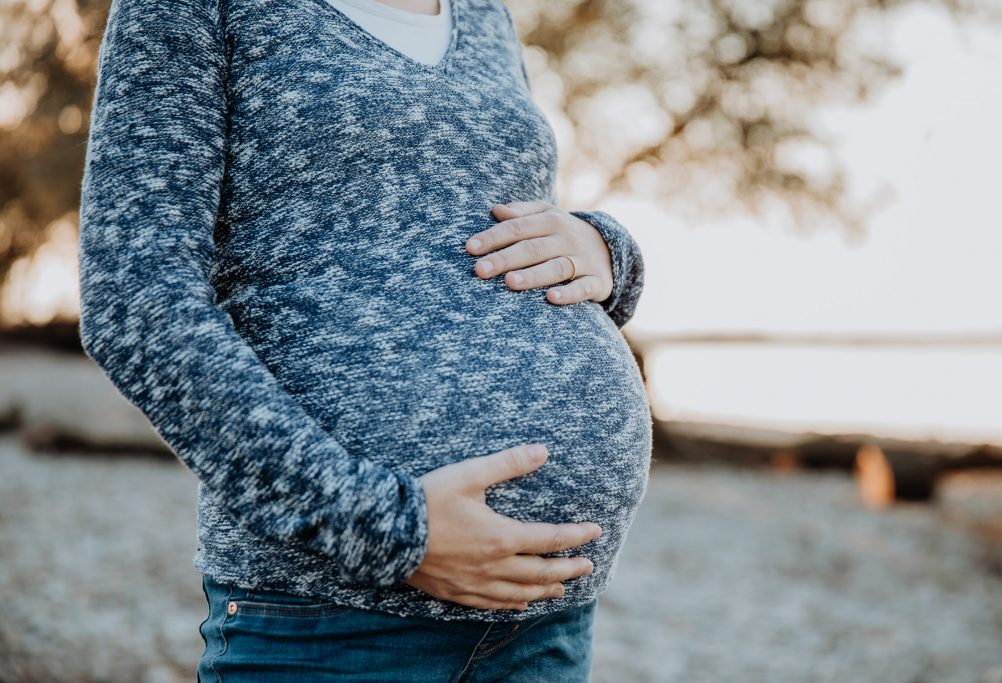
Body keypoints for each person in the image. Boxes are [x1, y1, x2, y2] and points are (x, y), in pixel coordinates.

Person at [76, 0, 653, 679]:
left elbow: (475, 231)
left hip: (544, 622)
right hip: (334, 620)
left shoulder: (482, 13)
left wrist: (608, 250)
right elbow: (136, 301)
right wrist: (388, 529)